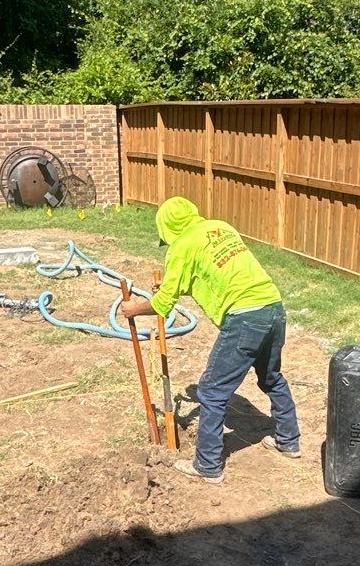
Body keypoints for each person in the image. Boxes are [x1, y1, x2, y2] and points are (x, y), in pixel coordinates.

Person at [121, 197, 300, 482]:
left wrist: (134, 309)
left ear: (167, 229)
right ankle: (288, 440)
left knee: (211, 391)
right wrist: (171, 284)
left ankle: (207, 466)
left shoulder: (181, 246)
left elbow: (163, 305)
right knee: (271, 378)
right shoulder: (220, 227)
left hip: (244, 317)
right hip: (273, 307)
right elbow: (214, 274)